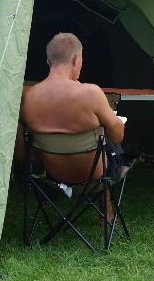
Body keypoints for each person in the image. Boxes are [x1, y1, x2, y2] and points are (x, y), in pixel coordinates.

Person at [20, 32, 125, 184]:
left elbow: (22, 155)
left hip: (53, 176)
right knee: (116, 147)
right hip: (95, 175)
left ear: (49, 62)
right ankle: (105, 204)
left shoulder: (27, 98)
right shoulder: (91, 93)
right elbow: (117, 136)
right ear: (76, 59)